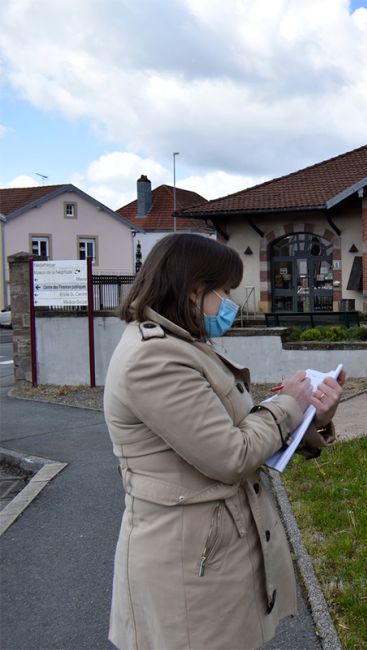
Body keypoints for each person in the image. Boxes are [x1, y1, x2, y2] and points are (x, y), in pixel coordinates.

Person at [103, 233, 344, 650]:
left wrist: (309, 415)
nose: (229, 304)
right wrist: (287, 405)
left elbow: (236, 429)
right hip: (188, 567)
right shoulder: (154, 359)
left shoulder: (185, 347)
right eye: (224, 292)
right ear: (194, 290)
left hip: (213, 551)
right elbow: (231, 455)